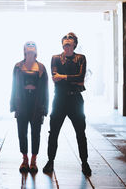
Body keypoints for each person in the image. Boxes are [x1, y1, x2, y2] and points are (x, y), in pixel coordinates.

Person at [43, 32, 92, 177]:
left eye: (70, 40)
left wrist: (63, 77)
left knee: (80, 133)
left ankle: (84, 162)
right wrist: (72, 79)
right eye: (65, 40)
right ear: (62, 44)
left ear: (74, 44)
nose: (67, 41)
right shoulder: (55, 58)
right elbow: (54, 78)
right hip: (59, 100)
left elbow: (81, 78)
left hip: (76, 100)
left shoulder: (81, 58)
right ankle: (50, 161)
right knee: (53, 132)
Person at [10, 41, 48, 173]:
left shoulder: (41, 67)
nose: (31, 47)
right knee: (22, 132)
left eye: (33, 46)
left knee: (36, 132)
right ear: (24, 50)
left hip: (36, 102)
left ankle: (33, 160)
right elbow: (14, 86)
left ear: (36, 51)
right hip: (22, 100)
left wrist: (45, 107)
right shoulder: (18, 66)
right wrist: (13, 105)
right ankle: (24, 159)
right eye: (28, 45)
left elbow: (45, 89)